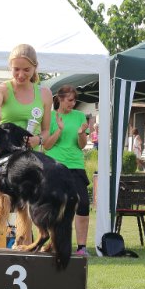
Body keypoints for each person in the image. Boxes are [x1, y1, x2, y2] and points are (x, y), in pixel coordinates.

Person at [0, 43, 53, 248]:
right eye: (16, 69)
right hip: (1, 163)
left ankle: (26, 260)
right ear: (10, 67)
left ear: (35, 68)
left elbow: (46, 131)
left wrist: (38, 139)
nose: (20, 74)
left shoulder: (45, 94)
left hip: (28, 165)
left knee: (26, 223)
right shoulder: (2, 89)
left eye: (26, 70)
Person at [43, 85, 90, 256]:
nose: (73, 103)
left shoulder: (79, 116)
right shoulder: (50, 117)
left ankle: (81, 247)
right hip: (55, 166)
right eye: (70, 100)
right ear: (60, 99)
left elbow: (82, 145)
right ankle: (54, 243)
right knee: (56, 206)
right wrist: (59, 130)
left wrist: (81, 133)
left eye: (74, 100)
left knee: (83, 204)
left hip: (76, 166)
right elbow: (46, 146)